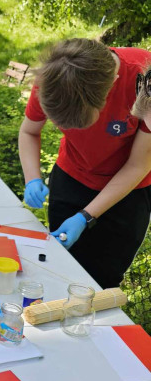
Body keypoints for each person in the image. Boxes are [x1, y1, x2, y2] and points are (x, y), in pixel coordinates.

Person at [19, 38, 151, 288]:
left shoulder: (144, 80)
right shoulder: (53, 79)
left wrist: (85, 217)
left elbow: (138, 165)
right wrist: (32, 177)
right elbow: (29, 132)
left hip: (128, 193)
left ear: (112, 83)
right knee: (59, 267)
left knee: (101, 283)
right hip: (71, 179)